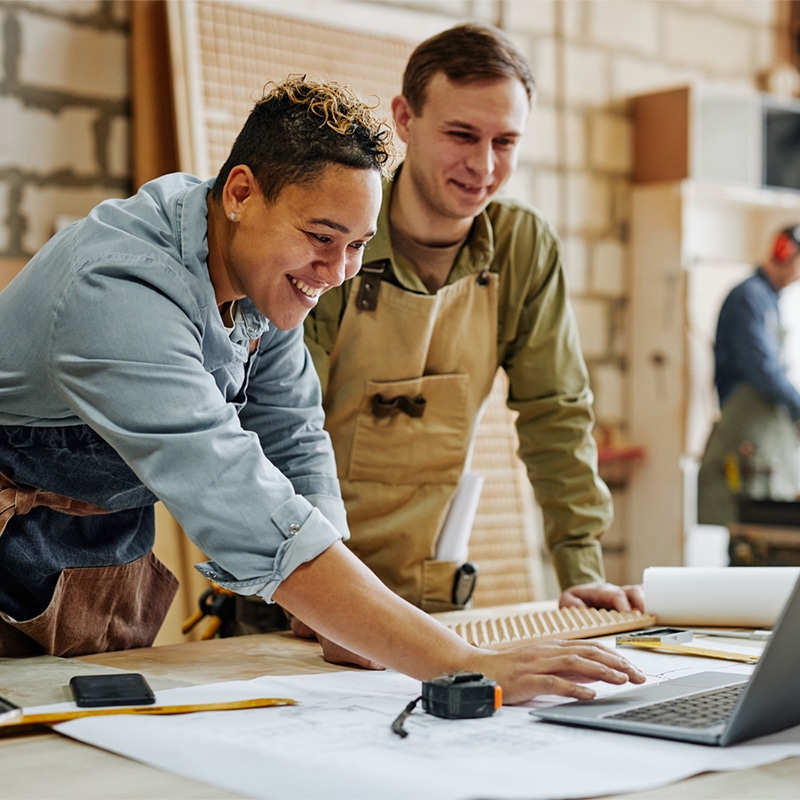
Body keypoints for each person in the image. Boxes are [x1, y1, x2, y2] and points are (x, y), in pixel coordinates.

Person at [0, 76, 644, 703]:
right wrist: (463, 663)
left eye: (358, 244)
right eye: (321, 238)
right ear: (242, 193)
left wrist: (328, 612)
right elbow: (235, 494)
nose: (337, 272)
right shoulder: (117, 289)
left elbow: (293, 433)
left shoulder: (259, 273)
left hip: (86, 577)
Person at [301, 22, 643, 636]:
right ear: (404, 118)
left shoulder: (521, 247)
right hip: (297, 594)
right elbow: (283, 421)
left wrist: (580, 565)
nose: (483, 166)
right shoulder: (335, 232)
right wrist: (310, 585)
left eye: (505, 141)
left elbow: (555, 412)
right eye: (461, 135)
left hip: (431, 602)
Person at [698, 224, 800, 528]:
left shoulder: (769, 301)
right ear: (787, 255)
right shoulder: (748, 298)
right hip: (745, 437)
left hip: (763, 443)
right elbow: (763, 368)